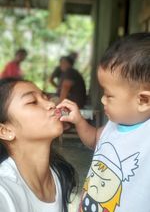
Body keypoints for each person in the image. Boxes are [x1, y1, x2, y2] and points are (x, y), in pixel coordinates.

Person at [57, 32, 150, 212]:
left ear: (143, 101)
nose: (102, 100)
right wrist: (78, 120)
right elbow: (93, 139)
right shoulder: (114, 124)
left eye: (109, 95)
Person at [0, 77, 77, 212]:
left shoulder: (59, 174)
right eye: (32, 102)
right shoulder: (4, 191)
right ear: (5, 131)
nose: (51, 104)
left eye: (46, 98)